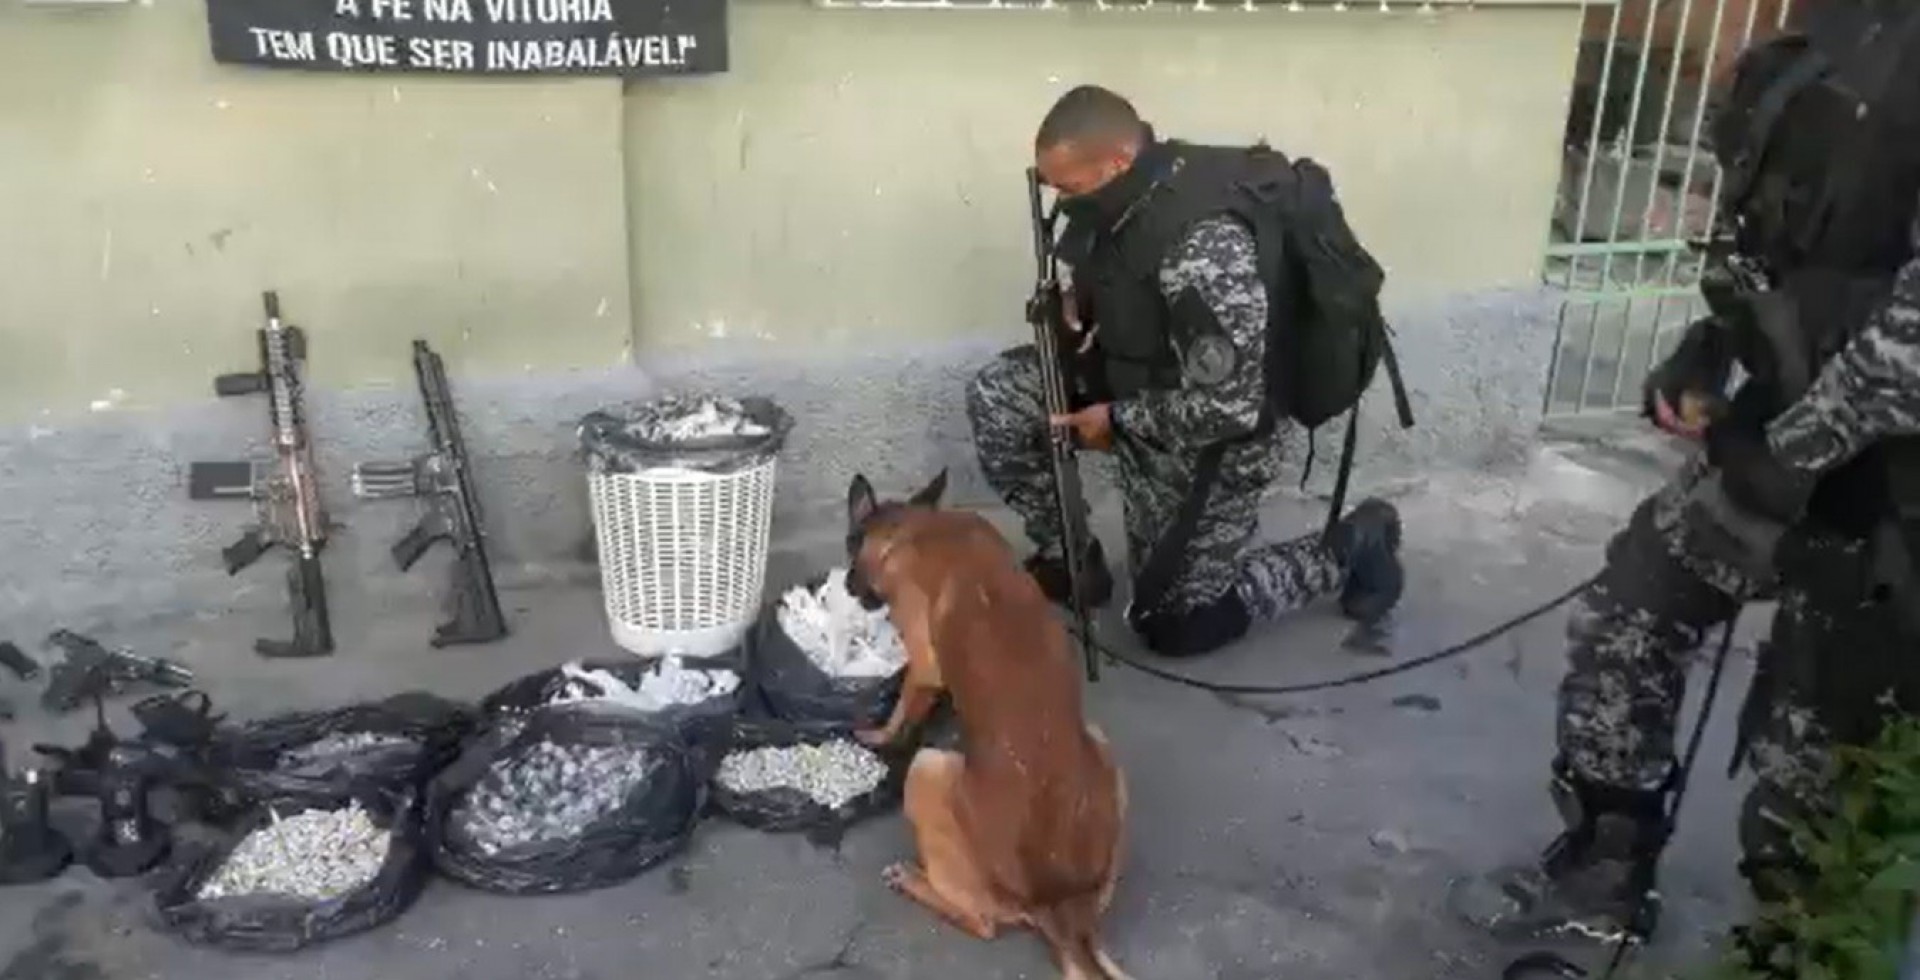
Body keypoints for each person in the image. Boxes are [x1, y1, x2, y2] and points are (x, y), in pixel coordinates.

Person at [1450, 0, 1920, 946]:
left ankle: (1799, 951)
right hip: (1793, 446)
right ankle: (1606, 867)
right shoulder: (1826, 48)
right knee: (1631, 613)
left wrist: (1787, 456)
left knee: (1823, 771)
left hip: (1892, 506)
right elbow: (1794, 253)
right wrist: (1712, 346)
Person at [965, 84, 1406, 659]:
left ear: (1117, 161)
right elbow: (1125, 271)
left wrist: (1116, 423)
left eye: (1069, 187)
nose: (1061, 201)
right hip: (1135, 383)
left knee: (1176, 624)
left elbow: (1230, 406)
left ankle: (1351, 546)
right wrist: (1081, 302)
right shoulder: (1128, 194)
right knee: (999, 397)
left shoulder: (1202, 245)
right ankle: (1070, 557)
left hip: (1213, 433)